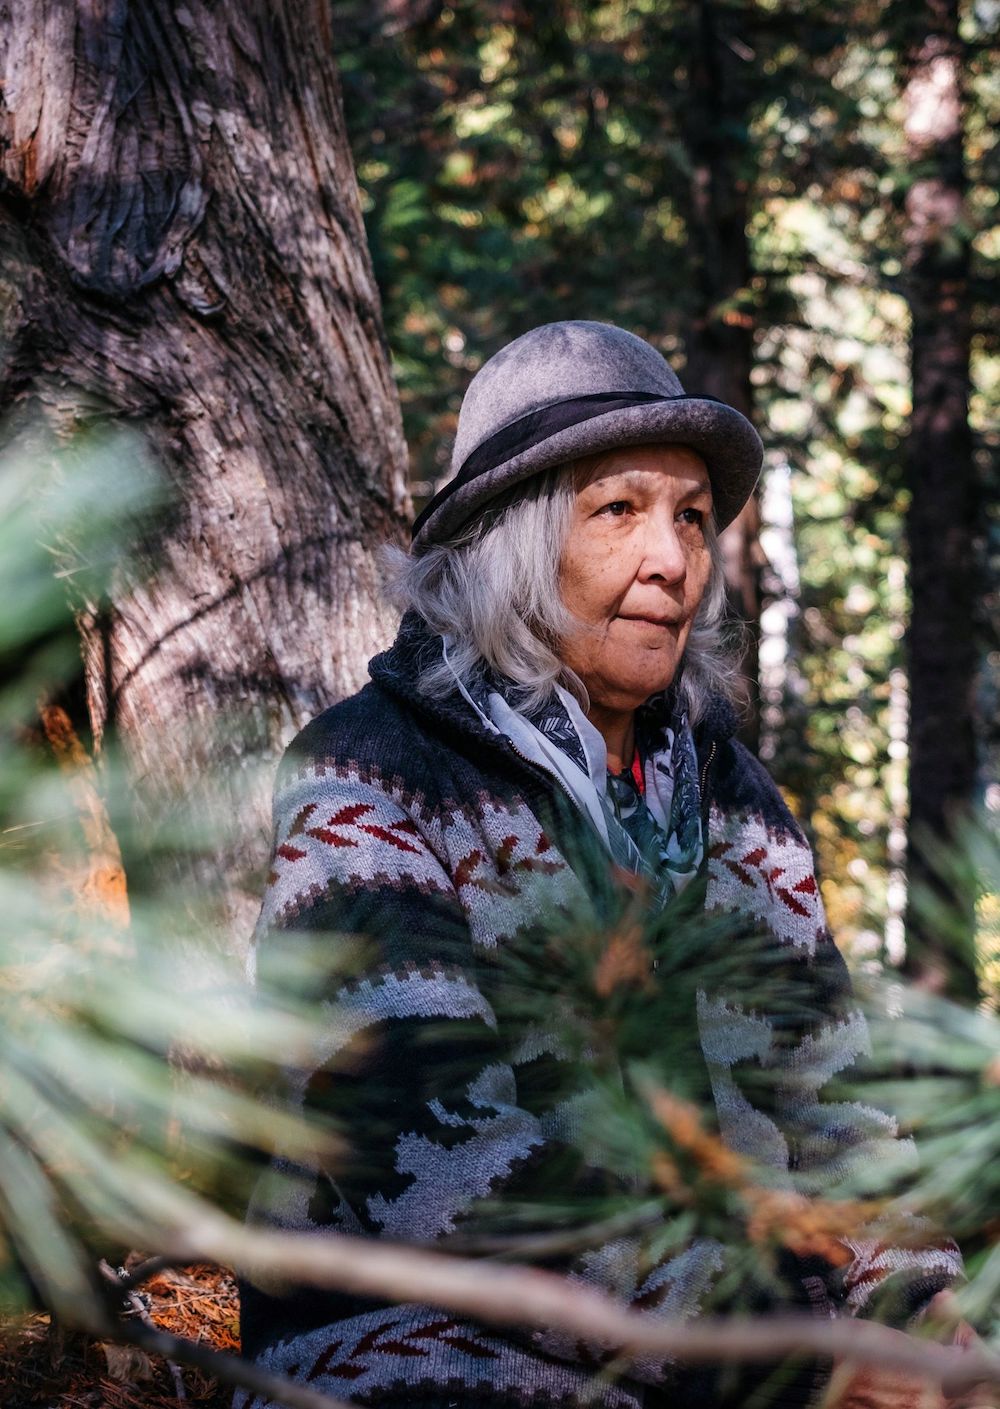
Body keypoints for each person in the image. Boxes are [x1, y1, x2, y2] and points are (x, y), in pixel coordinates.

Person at [237, 321, 959, 1408]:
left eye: (692, 517)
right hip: (424, 1329)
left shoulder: (736, 802)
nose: (670, 558)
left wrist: (917, 1311)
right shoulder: (369, 773)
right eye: (618, 510)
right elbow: (432, 1163)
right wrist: (784, 1355)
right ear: (511, 540)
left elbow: (835, 1105)